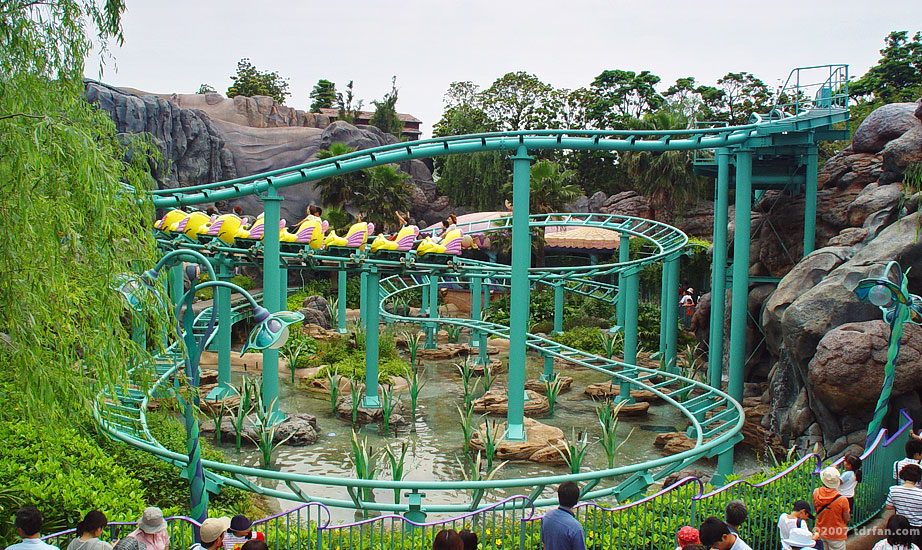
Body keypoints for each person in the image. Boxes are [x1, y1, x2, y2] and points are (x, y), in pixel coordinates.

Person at [541, 482, 587, 550]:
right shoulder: (575, 527)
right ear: (576, 501)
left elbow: (545, 544)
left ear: (559, 497)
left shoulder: (547, 517)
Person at [813, 466, 851, 550]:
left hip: (820, 531)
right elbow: (846, 518)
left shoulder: (816, 492)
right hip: (836, 535)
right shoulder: (842, 500)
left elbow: (816, 509)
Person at [886, 464, 922, 545]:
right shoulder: (920, 494)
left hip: (899, 526)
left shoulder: (894, 490)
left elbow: (888, 506)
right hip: (917, 528)